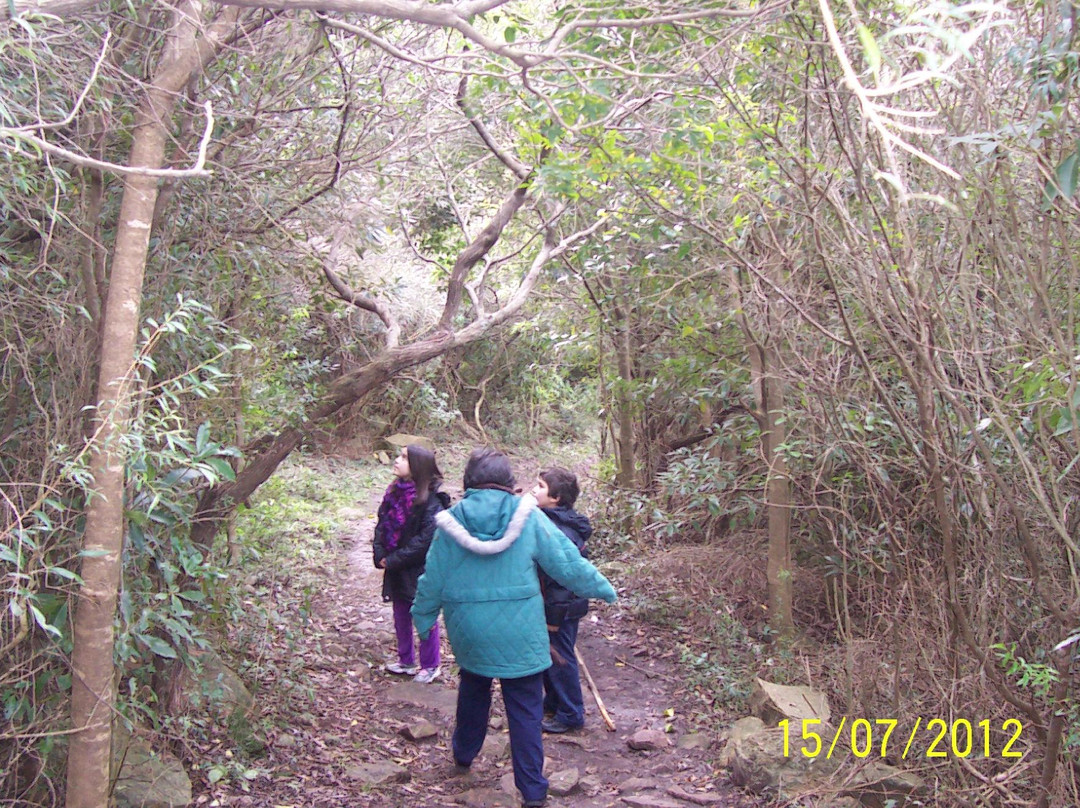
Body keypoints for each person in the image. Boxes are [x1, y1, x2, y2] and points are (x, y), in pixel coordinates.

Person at [412, 449, 617, 808]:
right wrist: (603, 589)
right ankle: (533, 791)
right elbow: (567, 564)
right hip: (521, 631)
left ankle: (463, 754)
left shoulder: (450, 523)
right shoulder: (530, 519)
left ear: (468, 481)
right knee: (524, 709)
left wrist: (423, 618)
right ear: (509, 483)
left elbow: (433, 579)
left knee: (473, 688)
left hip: (469, 629)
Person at [373, 444, 449, 684]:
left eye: (404, 457)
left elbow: (426, 539)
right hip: (397, 569)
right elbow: (381, 524)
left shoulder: (432, 499)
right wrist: (379, 553)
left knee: (423, 615)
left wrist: (394, 559)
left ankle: (430, 664)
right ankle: (406, 660)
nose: (397, 460)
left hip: (420, 569)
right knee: (400, 613)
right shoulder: (394, 492)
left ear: (417, 466)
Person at [532, 467, 591, 734]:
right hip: (552, 605)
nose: (534, 489)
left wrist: (554, 619)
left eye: (540, 486)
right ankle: (554, 702)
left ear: (556, 498)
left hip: (561, 608)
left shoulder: (560, 532)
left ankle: (571, 713)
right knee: (550, 655)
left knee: (560, 658)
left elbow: (563, 581)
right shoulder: (547, 521)